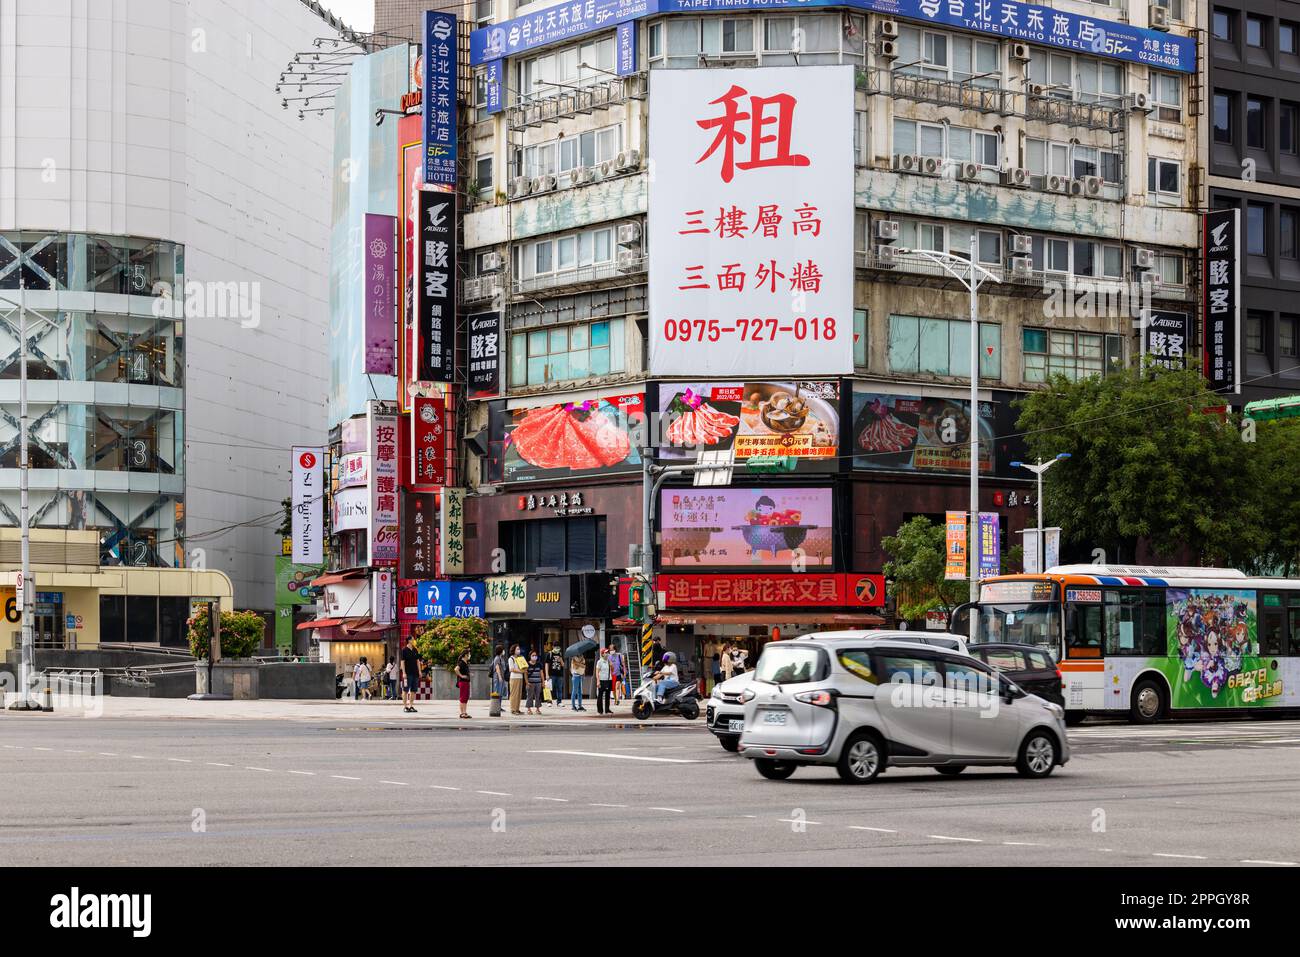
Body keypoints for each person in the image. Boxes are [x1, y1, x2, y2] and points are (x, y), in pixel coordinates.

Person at [400, 637, 422, 713]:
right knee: (405, 690)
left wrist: (419, 671)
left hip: (415, 673)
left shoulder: (415, 649)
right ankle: (405, 706)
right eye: (412, 639)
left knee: (413, 690)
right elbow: (402, 662)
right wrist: (404, 672)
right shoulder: (404, 650)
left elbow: (417, 661)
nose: (414, 641)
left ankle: (411, 705)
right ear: (409, 640)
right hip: (407, 673)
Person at [490, 644, 508, 715]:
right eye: (503, 649)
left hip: (502, 678)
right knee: (497, 692)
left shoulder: (501, 658)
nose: (504, 651)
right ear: (500, 650)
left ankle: (499, 706)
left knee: (500, 693)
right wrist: (500, 677)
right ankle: (496, 706)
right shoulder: (497, 658)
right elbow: (497, 668)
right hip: (498, 678)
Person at [508, 644, 527, 715]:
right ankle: (513, 709)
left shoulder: (521, 658)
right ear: (514, 650)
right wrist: (521, 671)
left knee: (519, 694)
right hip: (514, 678)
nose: (519, 650)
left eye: (519, 649)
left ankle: (517, 709)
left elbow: (524, 666)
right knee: (514, 694)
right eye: (517, 649)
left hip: (520, 678)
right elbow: (511, 669)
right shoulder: (511, 658)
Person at [594, 647, 613, 714]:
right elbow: (597, 672)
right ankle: (600, 710)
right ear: (602, 654)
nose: (607, 654)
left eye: (607, 652)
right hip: (602, 680)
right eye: (605, 652)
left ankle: (607, 709)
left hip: (608, 680)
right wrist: (598, 681)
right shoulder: (599, 662)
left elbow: (612, 671)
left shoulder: (608, 661)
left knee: (608, 695)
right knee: (600, 695)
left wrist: (611, 665)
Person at [455, 650, 472, 720]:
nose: (469, 656)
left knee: (465, 697)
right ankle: (463, 713)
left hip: (465, 682)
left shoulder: (465, 662)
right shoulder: (461, 662)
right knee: (463, 697)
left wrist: (469, 675)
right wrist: (461, 676)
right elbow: (456, 669)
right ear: (465, 655)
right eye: (469, 654)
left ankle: (464, 712)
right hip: (463, 682)